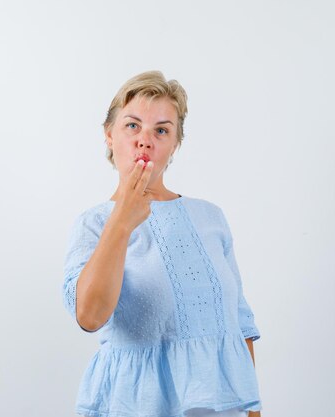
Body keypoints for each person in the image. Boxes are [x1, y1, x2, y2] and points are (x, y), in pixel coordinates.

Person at [61, 71, 263, 417]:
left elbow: (240, 325)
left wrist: (254, 412)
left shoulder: (210, 218)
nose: (145, 140)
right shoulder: (93, 224)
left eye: (162, 130)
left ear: (175, 144)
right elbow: (90, 315)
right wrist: (122, 219)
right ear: (109, 135)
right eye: (132, 126)